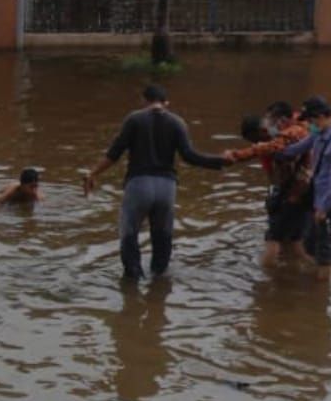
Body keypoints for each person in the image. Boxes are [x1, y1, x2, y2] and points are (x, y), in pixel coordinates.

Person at [83, 84, 230, 280]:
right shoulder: (177, 122)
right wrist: (219, 160)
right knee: (162, 238)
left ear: (144, 100)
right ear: (166, 103)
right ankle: (158, 288)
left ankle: (132, 286)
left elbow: (114, 154)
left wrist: (93, 173)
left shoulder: (134, 119)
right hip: (167, 188)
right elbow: (189, 156)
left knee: (129, 234)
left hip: (139, 184)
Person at [224, 102, 313, 268]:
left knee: (274, 238)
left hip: (296, 192)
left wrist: (237, 155)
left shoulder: (295, 132)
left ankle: (266, 281)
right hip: (296, 191)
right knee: (294, 241)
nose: (268, 127)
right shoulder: (289, 132)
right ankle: (307, 273)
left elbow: (272, 148)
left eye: (270, 121)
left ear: (281, 120)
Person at [278, 96, 331, 281]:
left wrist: (323, 209)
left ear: (320, 116)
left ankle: (323, 292)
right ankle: (314, 281)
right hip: (318, 199)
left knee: (325, 248)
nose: (308, 124)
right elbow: (296, 149)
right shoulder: (318, 134)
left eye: (310, 120)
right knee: (310, 244)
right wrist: (274, 150)